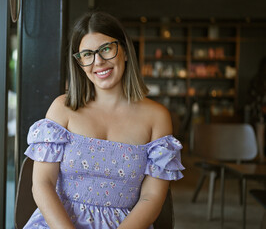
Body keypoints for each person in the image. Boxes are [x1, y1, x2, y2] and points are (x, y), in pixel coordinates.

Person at [23, 12, 185, 229]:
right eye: (87, 54)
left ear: (125, 51)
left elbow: (151, 196)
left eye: (106, 49)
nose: (98, 62)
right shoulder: (62, 109)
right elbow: (43, 184)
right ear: (80, 63)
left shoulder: (157, 117)